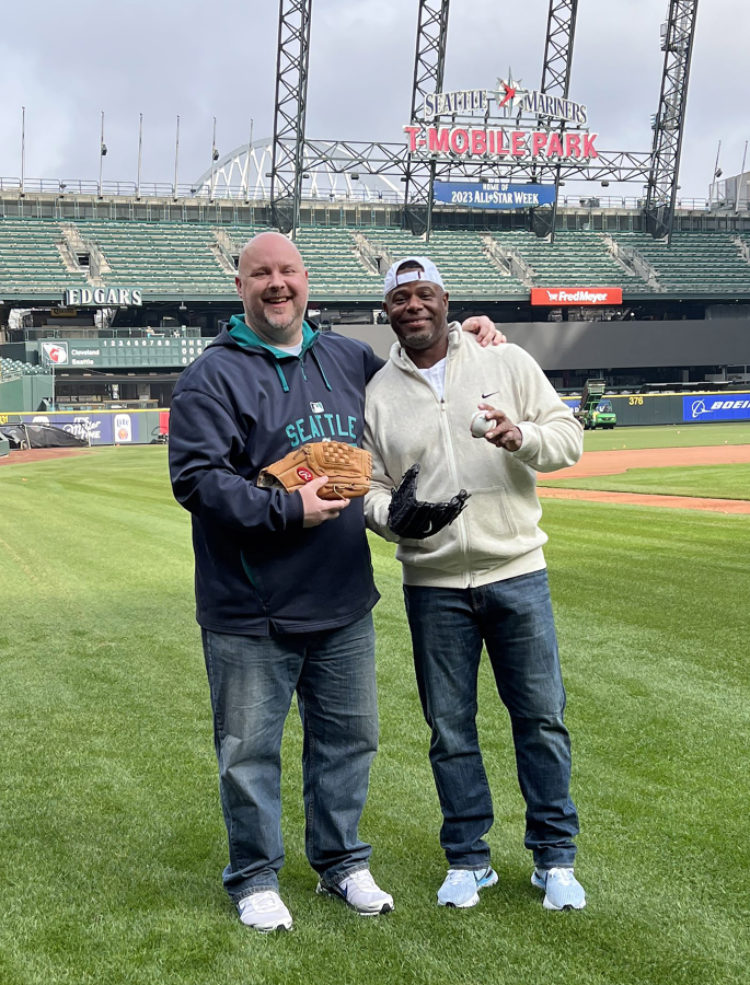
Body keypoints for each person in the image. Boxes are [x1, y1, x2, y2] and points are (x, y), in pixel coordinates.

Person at [168, 232, 503, 933]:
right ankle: (255, 875)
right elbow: (196, 481)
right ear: (241, 287)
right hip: (248, 603)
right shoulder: (213, 374)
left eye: (287, 271)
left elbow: (420, 366)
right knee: (249, 751)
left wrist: (467, 337)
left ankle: (341, 861)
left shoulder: (348, 358)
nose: (276, 284)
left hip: (343, 596)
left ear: (306, 281)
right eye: (261, 273)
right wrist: (287, 508)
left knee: (349, 739)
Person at [363, 256, 587, 912]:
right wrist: (388, 516)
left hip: (517, 569)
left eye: (423, 292)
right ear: (388, 312)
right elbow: (371, 489)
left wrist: (520, 437)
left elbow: (568, 435)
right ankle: (468, 858)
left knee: (541, 718)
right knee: (450, 727)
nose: (413, 305)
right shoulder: (377, 393)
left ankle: (555, 858)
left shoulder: (505, 361)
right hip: (431, 582)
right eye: (400, 297)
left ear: (445, 299)